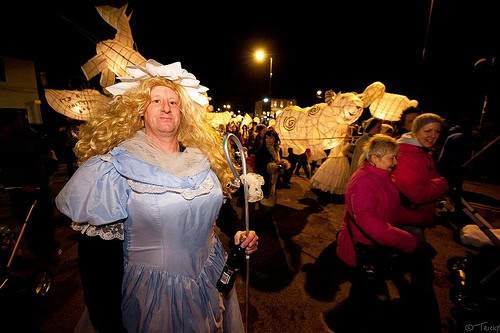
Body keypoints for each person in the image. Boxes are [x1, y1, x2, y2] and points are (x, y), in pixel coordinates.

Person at [55, 60, 259, 332]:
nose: (166, 108)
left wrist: (238, 233)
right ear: (139, 110)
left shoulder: (200, 159)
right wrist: (108, 323)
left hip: (209, 277)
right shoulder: (114, 168)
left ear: (183, 112)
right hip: (151, 297)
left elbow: (217, 210)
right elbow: (97, 263)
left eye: (174, 103)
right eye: (156, 101)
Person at [333, 134, 440, 333]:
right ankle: (337, 322)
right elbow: (371, 223)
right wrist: (410, 241)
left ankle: (343, 320)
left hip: (373, 248)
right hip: (362, 249)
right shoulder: (364, 182)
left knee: (365, 292)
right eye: (392, 158)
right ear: (375, 158)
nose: (396, 162)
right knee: (364, 292)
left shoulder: (380, 176)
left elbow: (388, 209)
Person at [391, 113, 448, 234]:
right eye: (428, 131)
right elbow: (417, 194)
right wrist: (444, 183)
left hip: (415, 216)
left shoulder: (422, 151)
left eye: (437, 131)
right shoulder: (406, 154)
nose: (433, 135)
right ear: (415, 131)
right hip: (406, 220)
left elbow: (431, 176)